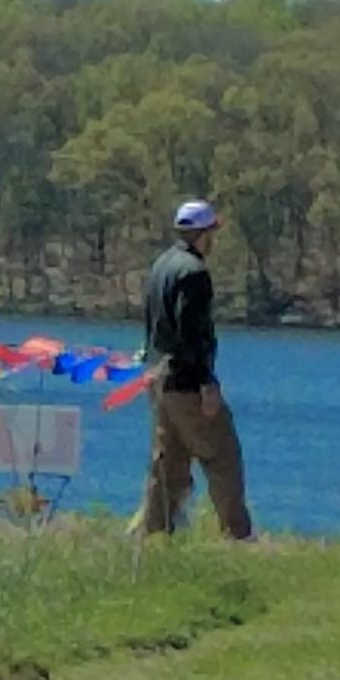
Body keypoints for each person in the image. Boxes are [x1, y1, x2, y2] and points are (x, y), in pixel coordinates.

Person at [135, 199, 254, 539]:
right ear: (203, 234)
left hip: (159, 378)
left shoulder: (162, 266)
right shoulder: (194, 273)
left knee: (168, 466)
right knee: (223, 457)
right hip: (187, 382)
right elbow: (191, 331)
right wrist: (206, 381)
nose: (214, 240)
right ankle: (238, 536)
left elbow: (153, 323)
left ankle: (154, 535)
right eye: (212, 233)